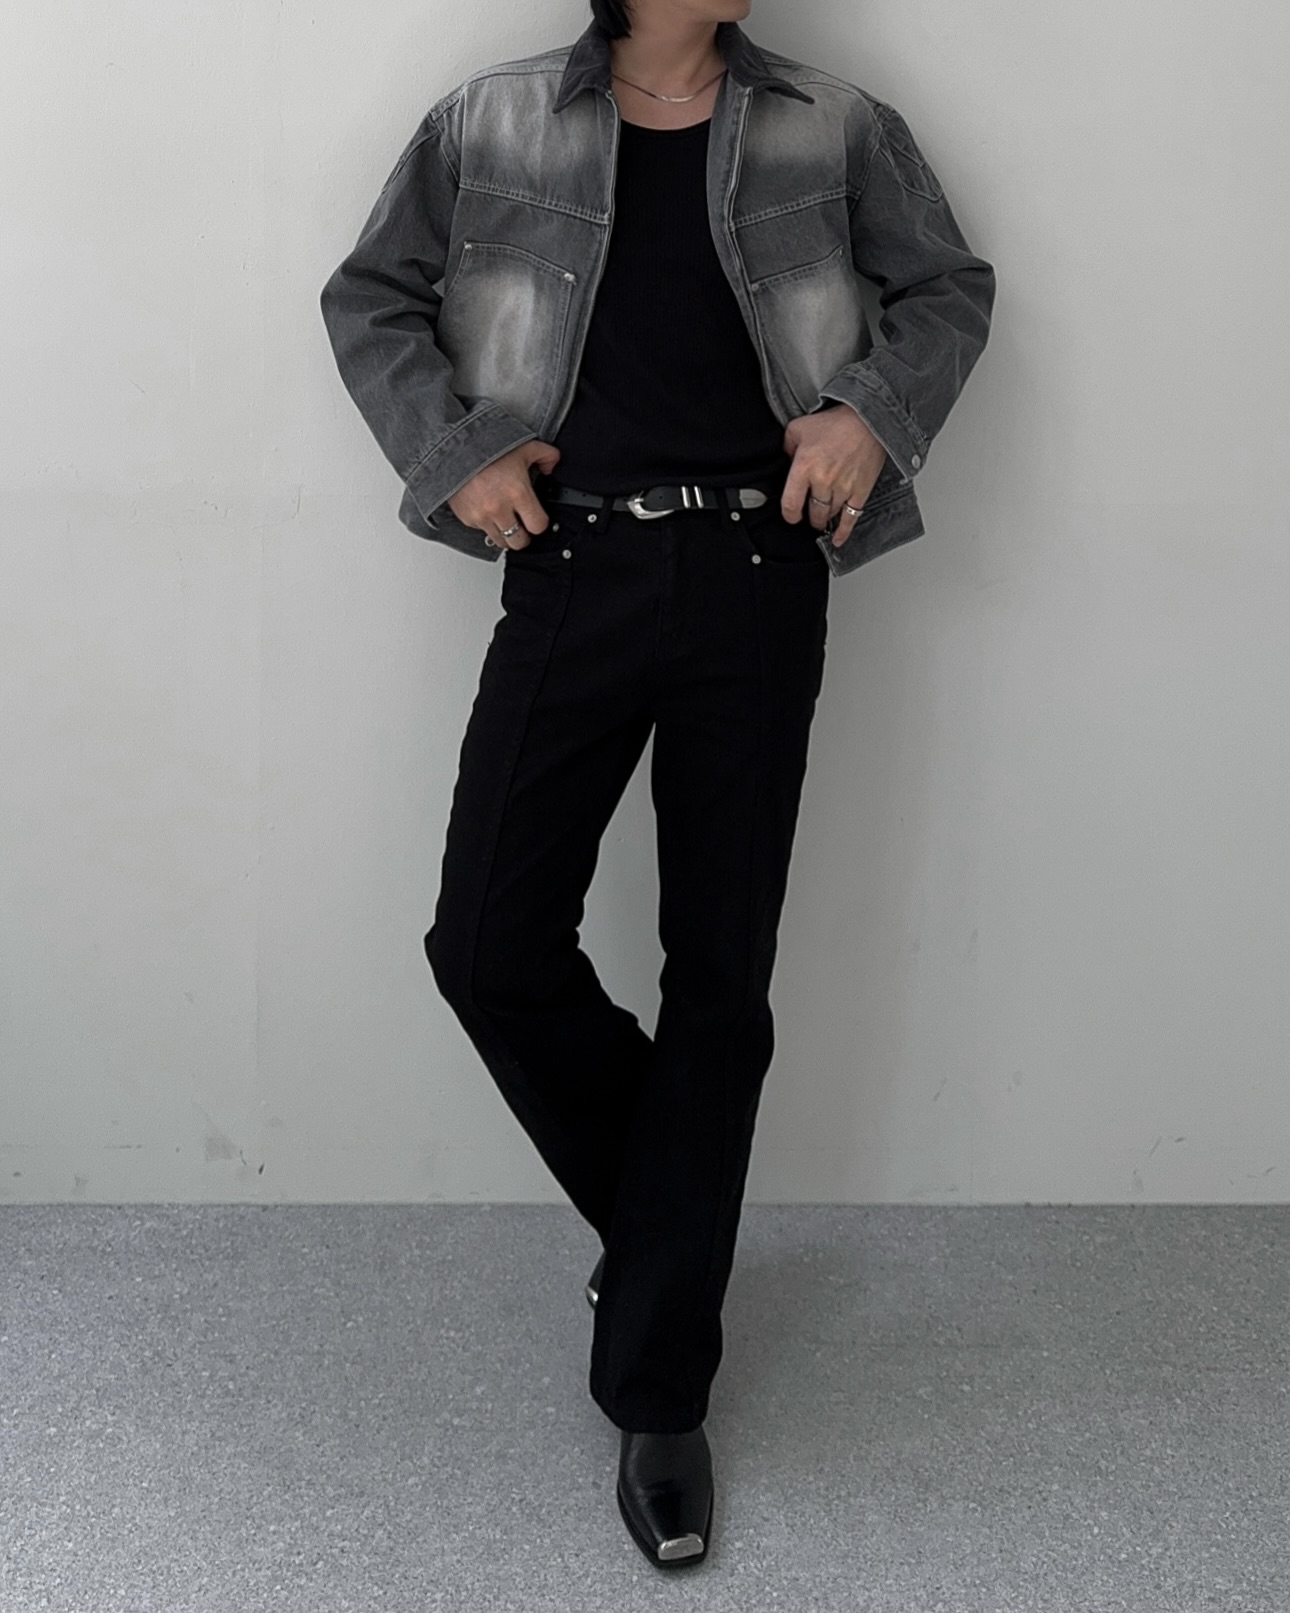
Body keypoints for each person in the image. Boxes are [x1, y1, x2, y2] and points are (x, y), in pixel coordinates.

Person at [320, 0, 995, 1570]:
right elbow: (370, 298)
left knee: (719, 980)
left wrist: (868, 415)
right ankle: (665, 1243)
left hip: (761, 573)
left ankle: (657, 1386)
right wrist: (456, 454)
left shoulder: (835, 123)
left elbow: (945, 290)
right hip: (570, 566)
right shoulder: (489, 120)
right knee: (485, 944)